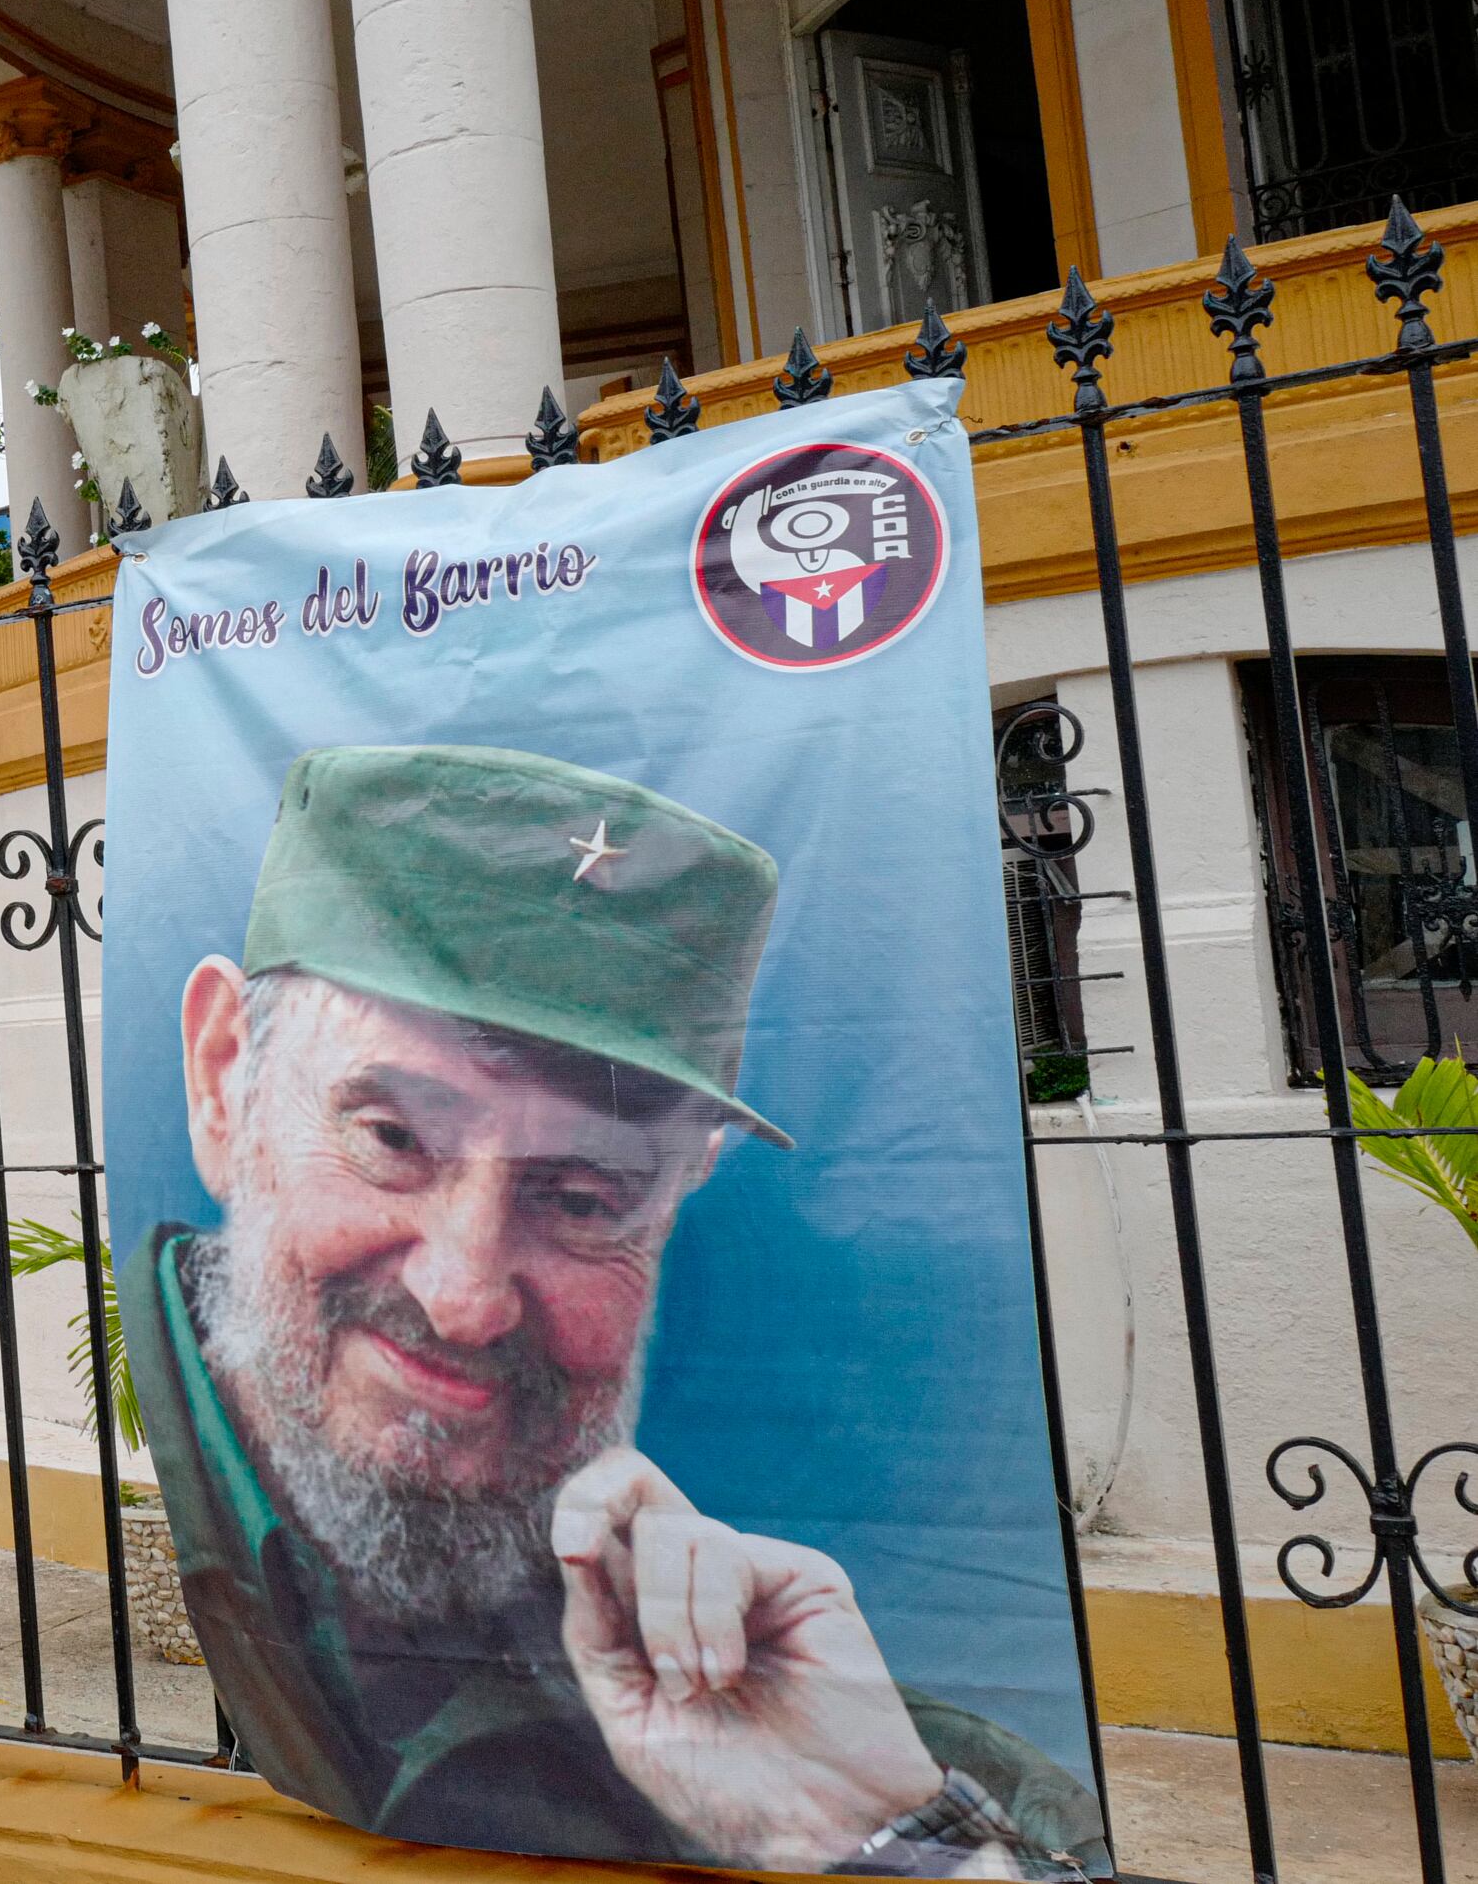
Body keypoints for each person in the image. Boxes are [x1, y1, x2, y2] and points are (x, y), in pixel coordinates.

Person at [124, 745, 1101, 1878]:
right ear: (221, 1076)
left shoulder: (919, 1760)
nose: (464, 1297)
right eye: (389, 1137)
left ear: (678, 1193)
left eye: (583, 1197)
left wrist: (861, 1829)